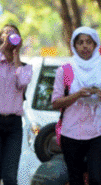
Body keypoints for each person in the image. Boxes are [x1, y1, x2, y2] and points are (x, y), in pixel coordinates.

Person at [0, 24, 33, 185]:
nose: (10, 36)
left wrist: (16, 56)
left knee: (10, 177)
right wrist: (2, 48)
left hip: (13, 125)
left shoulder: (25, 67)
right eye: (6, 34)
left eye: (13, 34)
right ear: (0, 39)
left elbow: (22, 82)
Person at [52, 26, 101, 185]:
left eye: (89, 42)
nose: (85, 46)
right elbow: (55, 102)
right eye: (80, 42)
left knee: (96, 178)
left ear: (95, 45)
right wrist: (78, 94)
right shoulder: (65, 70)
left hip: (97, 133)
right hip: (71, 133)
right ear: (74, 45)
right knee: (75, 179)